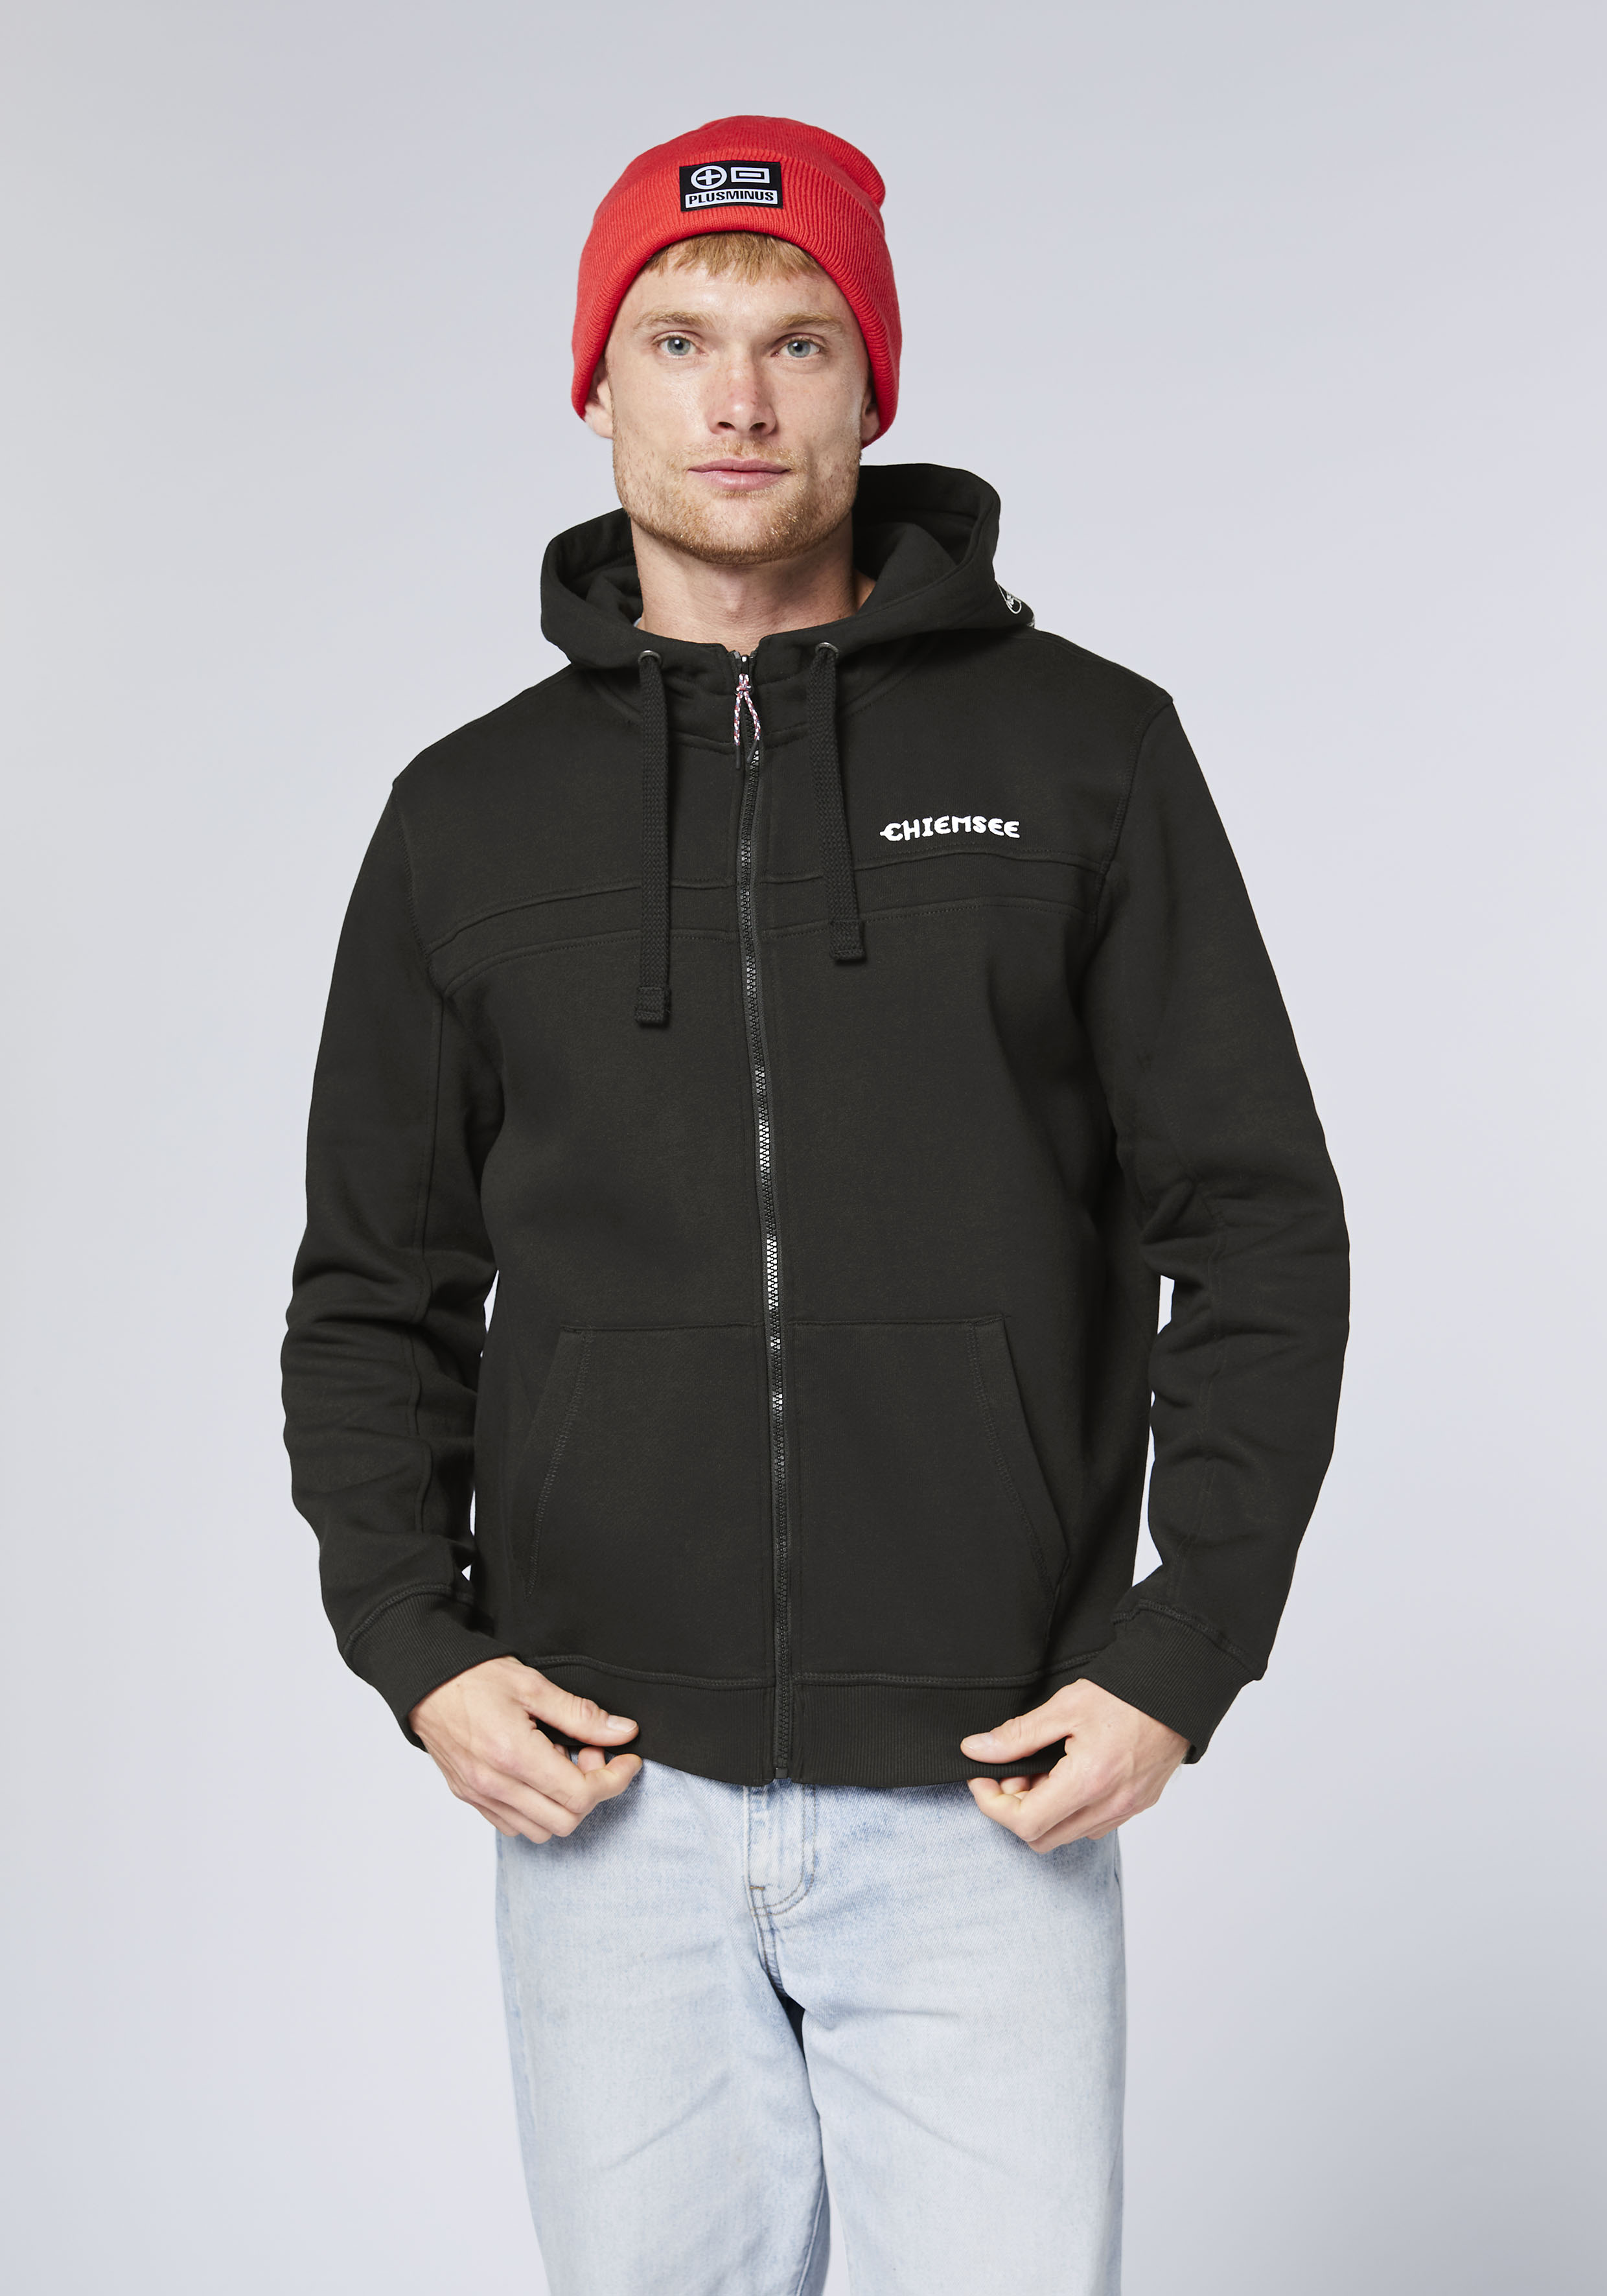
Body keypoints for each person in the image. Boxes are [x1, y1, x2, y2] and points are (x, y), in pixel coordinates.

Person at [283, 114, 1348, 2296]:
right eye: (678, 340)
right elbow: (373, 1288)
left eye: (798, 340)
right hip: (606, 1791)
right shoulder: (466, 819)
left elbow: (1255, 1225)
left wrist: (1184, 1652)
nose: (739, 399)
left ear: (875, 386)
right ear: (597, 387)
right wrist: (416, 1647)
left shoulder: (1087, 757)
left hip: (985, 1785)